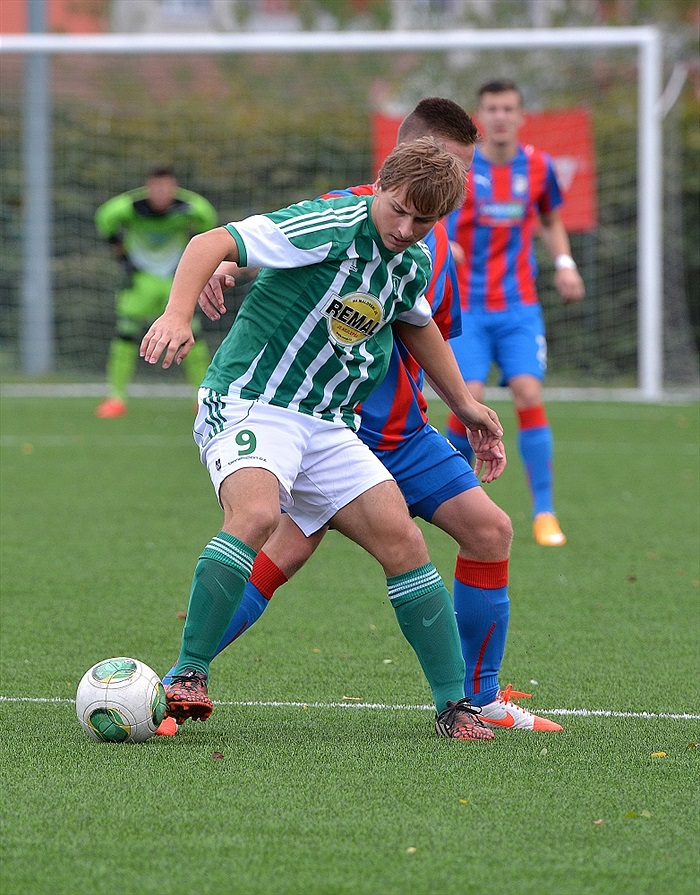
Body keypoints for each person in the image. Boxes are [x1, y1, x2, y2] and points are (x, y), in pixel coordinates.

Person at [158, 98, 562, 737]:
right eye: (399, 209)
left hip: (331, 421)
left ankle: (457, 707)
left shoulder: (418, 255)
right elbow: (217, 240)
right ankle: (185, 675)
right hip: (253, 400)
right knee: (262, 520)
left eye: (423, 218)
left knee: (407, 543)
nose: (405, 227)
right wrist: (180, 311)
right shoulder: (335, 218)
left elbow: (416, 321)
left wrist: (466, 406)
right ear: (389, 176)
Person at [444, 79, 585, 546]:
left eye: (508, 108)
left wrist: (564, 264)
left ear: (521, 116)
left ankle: (544, 512)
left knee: (527, 391)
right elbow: (429, 220)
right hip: (468, 308)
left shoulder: (539, 167)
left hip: (519, 306)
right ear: (480, 116)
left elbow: (549, 219)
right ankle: (450, 501)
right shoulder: (460, 169)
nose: (500, 116)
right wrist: (444, 246)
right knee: (470, 398)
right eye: (492, 108)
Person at [94, 166, 217, 418]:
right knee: (125, 335)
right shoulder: (130, 207)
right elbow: (104, 218)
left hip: (176, 282)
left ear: (175, 188)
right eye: (156, 188)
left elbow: (208, 220)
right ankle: (116, 398)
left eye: (167, 188)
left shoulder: (188, 208)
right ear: (148, 188)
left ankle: (202, 398)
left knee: (192, 335)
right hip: (140, 281)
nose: (161, 193)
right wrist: (121, 253)